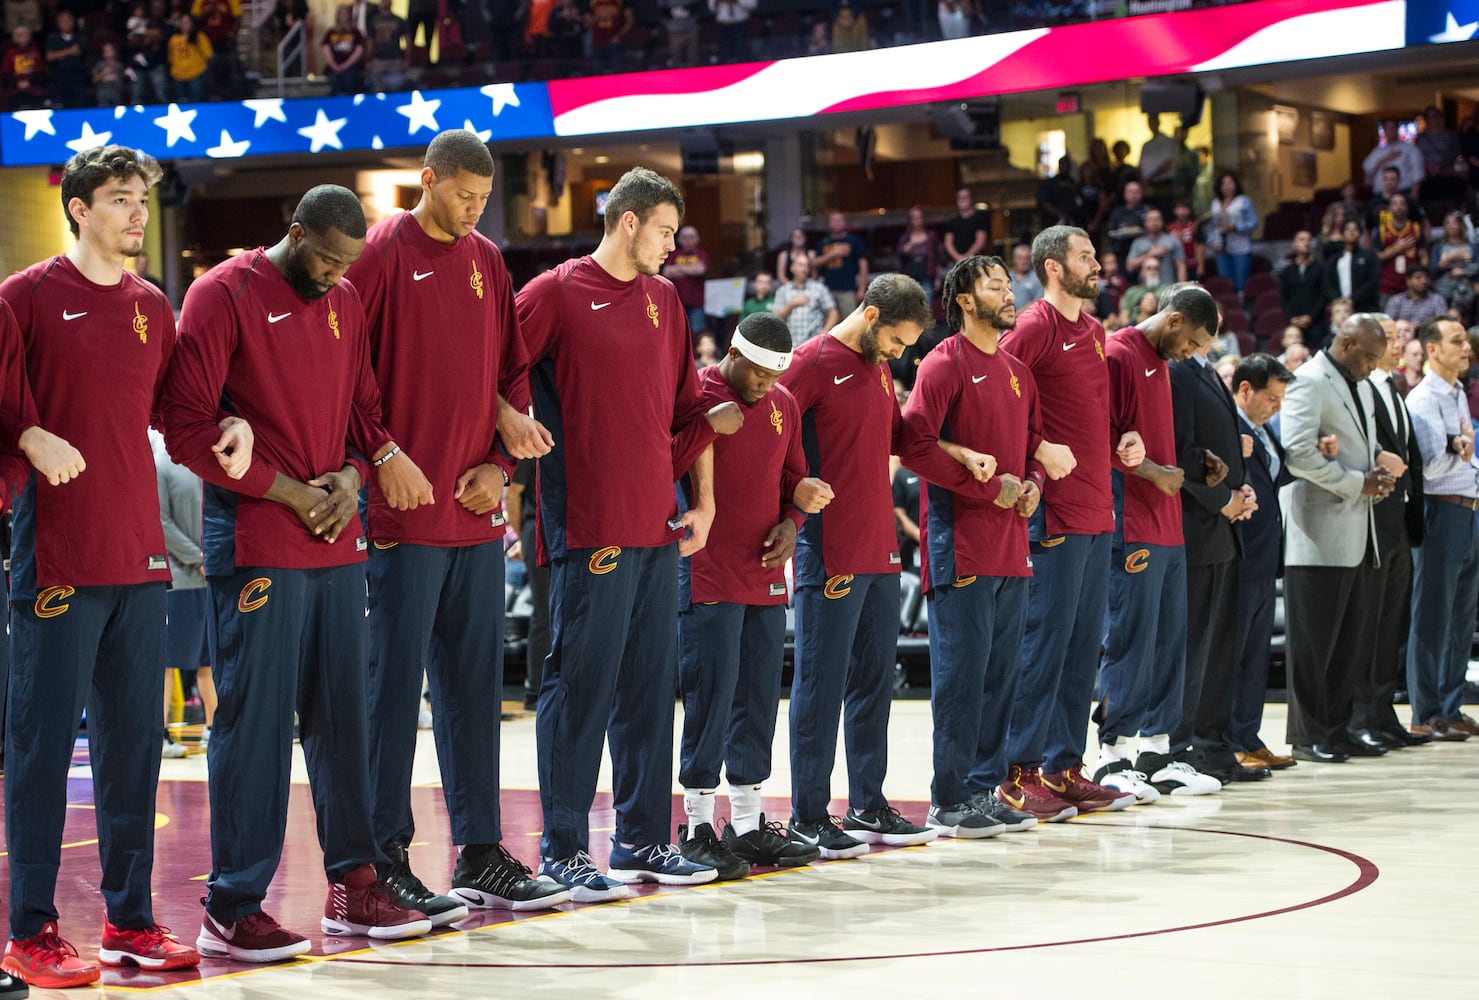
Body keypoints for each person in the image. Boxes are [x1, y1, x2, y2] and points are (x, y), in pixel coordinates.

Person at [163, 184, 434, 961]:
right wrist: (287, 491)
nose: (335, 274)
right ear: (294, 232)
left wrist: (351, 481)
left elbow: (364, 417)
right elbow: (183, 424)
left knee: (343, 715)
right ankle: (233, 903)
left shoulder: (346, 300)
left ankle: (354, 882)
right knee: (253, 724)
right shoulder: (224, 293)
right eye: (324, 257)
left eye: (348, 262)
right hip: (256, 538)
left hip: (335, 535)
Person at [1, 145, 213, 989]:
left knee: (136, 750)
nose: (137, 215)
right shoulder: (23, 298)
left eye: (142, 201)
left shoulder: (151, 306)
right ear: (80, 207)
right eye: (120, 199)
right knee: (42, 750)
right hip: (56, 557)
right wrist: (26, 434)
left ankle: (130, 922)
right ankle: (31, 931)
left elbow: (176, 415)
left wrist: (227, 436)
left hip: (140, 557)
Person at [343, 130, 568, 923]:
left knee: (475, 690)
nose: (474, 212)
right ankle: (381, 860)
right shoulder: (378, 253)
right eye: (462, 197)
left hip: (473, 510)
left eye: (483, 201)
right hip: (398, 509)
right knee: (391, 694)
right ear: (427, 180)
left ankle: (479, 851)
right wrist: (382, 451)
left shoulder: (488, 260)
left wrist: (501, 467)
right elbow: (345, 368)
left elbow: (510, 375)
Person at [515, 167, 728, 900]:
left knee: (646, 690)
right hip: (587, 526)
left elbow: (688, 413)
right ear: (629, 221)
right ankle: (562, 848)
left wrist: (701, 503)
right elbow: (496, 380)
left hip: (657, 524)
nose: (674, 247)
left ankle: (640, 839)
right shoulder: (553, 292)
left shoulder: (665, 301)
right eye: (667, 231)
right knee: (577, 687)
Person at [779, 273, 936, 858]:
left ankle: (868, 802)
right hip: (829, 547)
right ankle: (808, 814)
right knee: (820, 685)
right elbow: (768, 431)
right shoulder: (810, 361)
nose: (900, 354)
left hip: (880, 548)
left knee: (874, 682)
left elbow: (898, 440)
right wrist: (791, 496)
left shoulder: (878, 367)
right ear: (871, 317)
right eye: (897, 341)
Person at [993, 225, 1145, 821]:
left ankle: (1061, 766)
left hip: (1096, 505)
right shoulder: (1033, 327)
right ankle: (1017, 771)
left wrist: (1122, 440)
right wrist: (1035, 454)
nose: (1098, 263)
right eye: (1086, 256)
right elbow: (1001, 404)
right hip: (1052, 509)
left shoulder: (1093, 329)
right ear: (1053, 267)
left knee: (1083, 648)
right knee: (1044, 645)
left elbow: (1090, 417)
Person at [670, 311, 831, 872]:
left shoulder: (784, 405)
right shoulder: (696, 392)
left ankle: (746, 823)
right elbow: (665, 458)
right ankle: (694, 826)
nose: (766, 385)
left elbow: (793, 480)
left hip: (765, 572)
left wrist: (794, 519)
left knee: (758, 699)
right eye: (758, 373)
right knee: (710, 695)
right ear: (733, 356)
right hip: (708, 567)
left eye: (774, 376)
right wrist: (709, 425)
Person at [900, 255, 1051, 837]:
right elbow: (915, 445)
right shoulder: (944, 362)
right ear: (966, 299)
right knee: (962, 679)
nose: (1010, 295)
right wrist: (985, 484)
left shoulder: (1017, 370)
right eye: (996, 286)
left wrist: (1034, 486)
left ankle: (984, 789)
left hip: (1013, 547)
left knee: (1001, 677)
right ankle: (950, 796)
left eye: (1011, 286)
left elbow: (1035, 444)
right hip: (959, 546)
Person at [1095, 284, 1220, 800]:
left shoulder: (1162, 365)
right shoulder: (1120, 354)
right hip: (1132, 519)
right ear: (1172, 321)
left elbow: (1158, 446)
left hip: (1167, 520)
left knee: (1170, 638)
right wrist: (1153, 472)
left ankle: (1158, 751)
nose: (1190, 354)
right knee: (1131, 636)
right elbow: (1098, 438)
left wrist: (1196, 466)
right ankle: (1113, 755)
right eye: (1190, 343)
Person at [1280, 314, 1393, 762]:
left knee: (1349, 642)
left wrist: (1375, 468)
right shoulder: (1308, 380)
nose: (1371, 367)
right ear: (1345, 342)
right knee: (1314, 645)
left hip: (1357, 529)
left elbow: (1358, 447)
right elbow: (1298, 452)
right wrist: (1354, 481)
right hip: (1317, 530)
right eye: (1367, 357)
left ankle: (1338, 728)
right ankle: (1308, 736)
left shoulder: (1360, 384)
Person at [1169, 320, 1263, 786]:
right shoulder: (1178, 371)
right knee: (1195, 645)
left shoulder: (1203, 370)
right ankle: (1184, 747)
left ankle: (1213, 745)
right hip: (1196, 526)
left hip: (1221, 528)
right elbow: (1183, 452)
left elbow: (1219, 447)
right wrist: (1224, 499)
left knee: (1218, 646)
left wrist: (1240, 488)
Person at [1404, 316, 1479, 740]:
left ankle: (1451, 707)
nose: (1465, 347)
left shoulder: (1456, 393)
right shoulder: (1424, 399)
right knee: (1432, 616)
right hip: (1439, 510)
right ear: (1432, 349)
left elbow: (1463, 453)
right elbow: (1428, 468)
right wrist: (1457, 446)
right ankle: (1425, 712)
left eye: (1466, 340)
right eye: (1456, 341)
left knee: (1460, 618)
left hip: (1467, 510)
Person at [1355, 315, 1427, 750]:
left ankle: (1383, 714)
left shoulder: (1394, 387)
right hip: (1373, 516)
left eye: (1402, 334)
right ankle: (1361, 715)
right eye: (1390, 335)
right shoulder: (1363, 387)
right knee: (1370, 623)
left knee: (1391, 623)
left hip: (1398, 518)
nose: (1399, 340)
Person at [1227, 354, 1298, 772]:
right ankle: (1227, 740)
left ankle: (1249, 736)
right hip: (1238, 553)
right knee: (1234, 652)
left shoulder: (1264, 430)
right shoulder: (1230, 427)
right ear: (1245, 390)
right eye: (1271, 397)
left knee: (1255, 654)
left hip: (1264, 555)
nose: (1277, 406)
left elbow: (1274, 478)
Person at [155, 429, 217, 757]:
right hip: (179, 582)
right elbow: (161, 522)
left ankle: (213, 729)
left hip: (209, 580)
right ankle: (159, 735)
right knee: (167, 663)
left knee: (209, 663)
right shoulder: (160, 465)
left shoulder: (202, 463)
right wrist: (198, 557)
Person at [771, 252, 838, 346]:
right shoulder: (783, 291)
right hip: (790, 346)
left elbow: (833, 313)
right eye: (800, 265)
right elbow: (776, 319)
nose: (804, 269)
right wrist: (791, 305)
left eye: (807, 266)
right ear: (792, 268)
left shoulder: (819, 288)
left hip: (814, 346)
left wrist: (823, 334)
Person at [1208, 171, 1257, 294]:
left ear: (1236, 185)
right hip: (1220, 249)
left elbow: (1253, 223)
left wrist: (1236, 227)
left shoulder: (1243, 201)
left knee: (1240, 284)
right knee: (1225, 283)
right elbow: (1210, 225)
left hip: (1240, 248)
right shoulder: (1215, 202)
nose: (1227, 186)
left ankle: (1241, 307)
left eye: (1230, 183)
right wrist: (1211, 241)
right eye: (1224, 184)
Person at [1277, 231, 1327, 348]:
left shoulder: (1320, 268)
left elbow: (1323, 295)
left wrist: (1310, 317)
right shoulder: (1287, 271)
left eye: (1309, 240)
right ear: (1294, 244)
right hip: (1294, 322)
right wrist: (1291, 318)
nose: (1306, 243)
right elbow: (1283, 297)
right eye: (1302, 239)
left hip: (1316, 323)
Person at [815, 212, 869, 318]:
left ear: (845, 223)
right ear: (829, 224)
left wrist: (862, 289)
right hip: (827, 291)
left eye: (839, 220)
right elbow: (815, 263)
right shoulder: (823, 242)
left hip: (848, 289)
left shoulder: (853, 240)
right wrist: (832, 254)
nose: (837, 223)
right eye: (834, 221)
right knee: (830, 323)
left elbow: (863, 264)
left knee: (849, 322)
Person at [1375, 193, 1427, 301]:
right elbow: (1375, 258)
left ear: (1407, 208)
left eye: (1402, 204)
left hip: (1412, 288)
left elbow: (1424, 257)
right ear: (1389, 208)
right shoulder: (1382, 230)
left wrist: (1421, 278)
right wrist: (1396, 250)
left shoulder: (1416, 229)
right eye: (1394, 204)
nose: (1398, 207)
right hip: (1387, 287)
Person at [1322, 220, 1381, 313]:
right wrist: (1338, 301)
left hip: (1366, 307)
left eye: (1355, 229)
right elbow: (1327, 283)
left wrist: (1353, 300)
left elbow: (1372, 281)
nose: (1351, 232)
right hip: (1341, 309)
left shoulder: (1370, 256)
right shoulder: (1334, 259)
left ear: (1360, 234)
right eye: (1348, 229)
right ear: (1342, 234)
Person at [661, 225, 709, 336]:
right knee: (678, 335)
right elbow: (667, 272)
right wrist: (690, 269)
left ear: (697, 239)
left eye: (691, 237)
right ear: (680, 240)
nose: (688, 240)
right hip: (677, 303)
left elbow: (700, 270)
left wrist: (678, 268)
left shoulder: (701, 254)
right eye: (685, 237)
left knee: (698, 335)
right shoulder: (673, 254)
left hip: (697, 304)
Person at [1126, 207, 1188, 285]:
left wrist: (1181, 287)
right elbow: (1129, 267)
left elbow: (1181, 266)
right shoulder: (1138, 243)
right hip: (1145, 291)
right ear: (1145, 223)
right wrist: (1150, 254)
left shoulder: (1173, 241)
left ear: (1162, 222)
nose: (1154, 222)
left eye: (1158, 219)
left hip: (1168, 286)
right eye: (1151, 219)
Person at [1362, 118, 1424, 194]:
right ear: (1384, 131)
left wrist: (1414, 197)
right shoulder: (1377, 151)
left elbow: (1418, 174)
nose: (1391, 130)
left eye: (1393, 127)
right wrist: (1387, 159)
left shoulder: (1410, 149)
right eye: (1388, 128)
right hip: (1381, 194)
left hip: (1403, 193)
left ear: (1397, 129)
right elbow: (1367, 168)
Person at [897, 206, 940, 303]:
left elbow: (937, 258)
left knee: (927, 305)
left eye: (919, 217)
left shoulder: (931, 236)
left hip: (927, 274)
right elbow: (900, 255)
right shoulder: (905, 238)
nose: (917, 220)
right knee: (911, 306)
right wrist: (909, 246)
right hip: (910, 275)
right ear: (910, 220)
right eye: (914, 218)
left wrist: (937, 278)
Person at [166, 12, 211, 103]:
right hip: (178, 75)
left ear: (192, 23)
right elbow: (171, 57)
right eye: (182, 22)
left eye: (187, 22)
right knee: (182, 102)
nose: (184, 25)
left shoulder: (199, 36)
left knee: (197, 101)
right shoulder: (173, 39)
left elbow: (208, 54)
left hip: (196, 74)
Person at [322, 4, 366, 96]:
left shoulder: (355, 32)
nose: (342, 16)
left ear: (349, 15)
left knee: (350, 78)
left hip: (351, 66)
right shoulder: (331, 32)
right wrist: (334, 65)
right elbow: (326, 49)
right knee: (334, 79)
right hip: (334, 67)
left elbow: (359, 50)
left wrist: (346, 65)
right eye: (340, 14)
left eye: (344, 13)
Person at [943, 188, 989, 266]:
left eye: (965, 197)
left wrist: (967, 258)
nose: (962, 200)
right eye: (960, 198)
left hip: (975, 261)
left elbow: (980, 241)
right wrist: (958, 258)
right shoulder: (952, 221)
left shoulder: (980, 219)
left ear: (971, 199)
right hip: (955, 262)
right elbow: (948, 243)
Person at [1007, 243, 1042, 309]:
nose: (1023, 261)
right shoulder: (1007, 277)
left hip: (1030, 317)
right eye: (1019, 258)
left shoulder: (1038, 278)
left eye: (1026, 258)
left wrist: (1016, 316)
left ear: (1031, 260)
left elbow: (1038, 303)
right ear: (1014, 259)